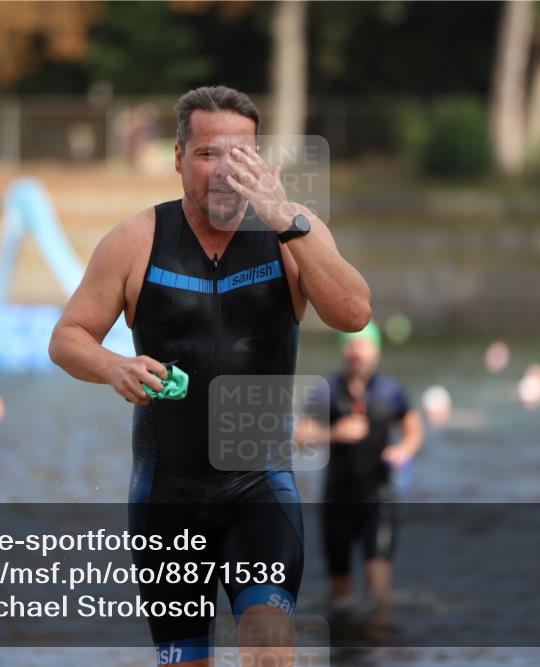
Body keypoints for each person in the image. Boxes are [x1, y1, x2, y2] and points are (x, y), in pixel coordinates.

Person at [49, 85, 371, 666]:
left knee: (270, 645)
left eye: (240, 156)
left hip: (259, 488)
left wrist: (287, 223)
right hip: (167, 496)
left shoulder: (295, 233)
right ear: (178, 158)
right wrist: (114, 366)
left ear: (262, 163)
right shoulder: (135, 241)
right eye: (207, 155)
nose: (224, 172)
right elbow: (67, 338)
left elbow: (354, 313)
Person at [295, 321, 424, 607]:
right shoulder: (325, 390)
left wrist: (404, 449)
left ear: (376, 350)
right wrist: (335, 434)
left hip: (378, 497)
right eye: (352, 345)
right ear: (343, 350)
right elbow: (300, 436)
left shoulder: (392, 391)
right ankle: (345, 644)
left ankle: (377, 643)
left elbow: (414, 429)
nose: (358, 353)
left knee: (379, 595)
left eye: (364, 345)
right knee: (340, 598)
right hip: (337, 500)